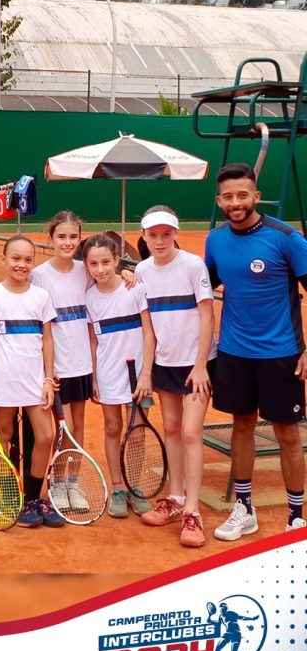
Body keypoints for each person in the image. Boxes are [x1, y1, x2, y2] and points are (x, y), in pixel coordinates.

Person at [205, 162, 307, 539]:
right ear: (219, 201)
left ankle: (296, 516)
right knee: (242, 425)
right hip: (235, 352)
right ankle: (244, 508)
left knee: (288, 434)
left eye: (243, 195)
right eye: (228, 197)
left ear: (256, 196)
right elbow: (202, 285)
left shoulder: (287, 239)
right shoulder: (215, 241)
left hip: (281, 353)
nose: (236, 202)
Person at [136, 206, 217, 548]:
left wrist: (200, 365)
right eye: (153, 235)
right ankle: (176, 497)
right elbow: (148, 327)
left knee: (190, 432)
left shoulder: (193, 265)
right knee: (171, 427)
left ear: (175, 234)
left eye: (166, 234)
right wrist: (147, 369)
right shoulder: (141, 270)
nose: (159, 241)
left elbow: (207, 317)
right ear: (143, 237)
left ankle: (193, 512)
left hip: (197, 363)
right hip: (165, 363)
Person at [0, 234, 64, 529]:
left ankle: (32, 499)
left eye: (27, 259)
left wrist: (48, 379)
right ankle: (6, 496)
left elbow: (48, 339)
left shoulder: (41, 297)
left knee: (45, 436)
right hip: (3, 381)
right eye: (15, 258)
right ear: (3, 259)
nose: (21, 264)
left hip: (35, 382)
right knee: (2, 437)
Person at [83, 234, 156, 519]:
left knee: (137, 433)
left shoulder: (134, 288)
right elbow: (93, 341)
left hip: (139, 375)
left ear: (116, 260)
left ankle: (135, 487)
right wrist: (94, 377)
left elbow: (149, 334)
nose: (100, 269)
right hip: (108, 373)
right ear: (86, 266)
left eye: (105, 262)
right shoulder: (89, 297)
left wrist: (147, 373)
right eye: (93, 264)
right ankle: (117, 488)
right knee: (113, 428)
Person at [29, 211, 93, 513]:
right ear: (50, 239)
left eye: (73, 237)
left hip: (83, 364)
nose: (68, 242)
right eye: (62, 237)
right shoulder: (39, 275)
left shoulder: (86, 269)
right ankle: (56, 482)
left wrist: (129, 275)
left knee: (78, 427)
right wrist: (47, 369)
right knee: (62, 429)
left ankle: (73, 483)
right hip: (56, 367)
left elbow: (111, 280)